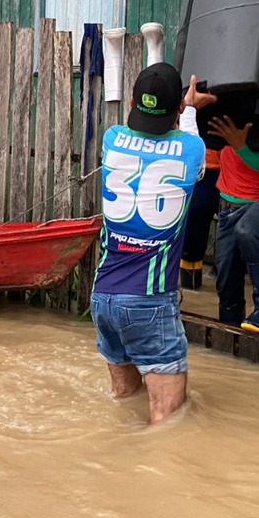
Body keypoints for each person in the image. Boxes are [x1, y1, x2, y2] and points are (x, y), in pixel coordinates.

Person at [92, 62, 213, 424]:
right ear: (176, 110)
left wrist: (180, 108)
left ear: (132, 100)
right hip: (149, 301)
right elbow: (192, 150)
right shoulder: (191, 150)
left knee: (124, 406)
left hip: (103, 298)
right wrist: (190, 109)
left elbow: (142, 138)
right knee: (168, 422)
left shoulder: (112, 139)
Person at [205, 114, 259, 334]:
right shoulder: (224, 121)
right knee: (225, 274)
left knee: (247, 233)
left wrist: (239, 146)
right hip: (227, 208)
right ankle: (229, 328)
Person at [178, 146, 220, 290]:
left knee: (236, 224)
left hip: (236, 164)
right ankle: (190, 279)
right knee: (196, 217)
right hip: (201, 164)